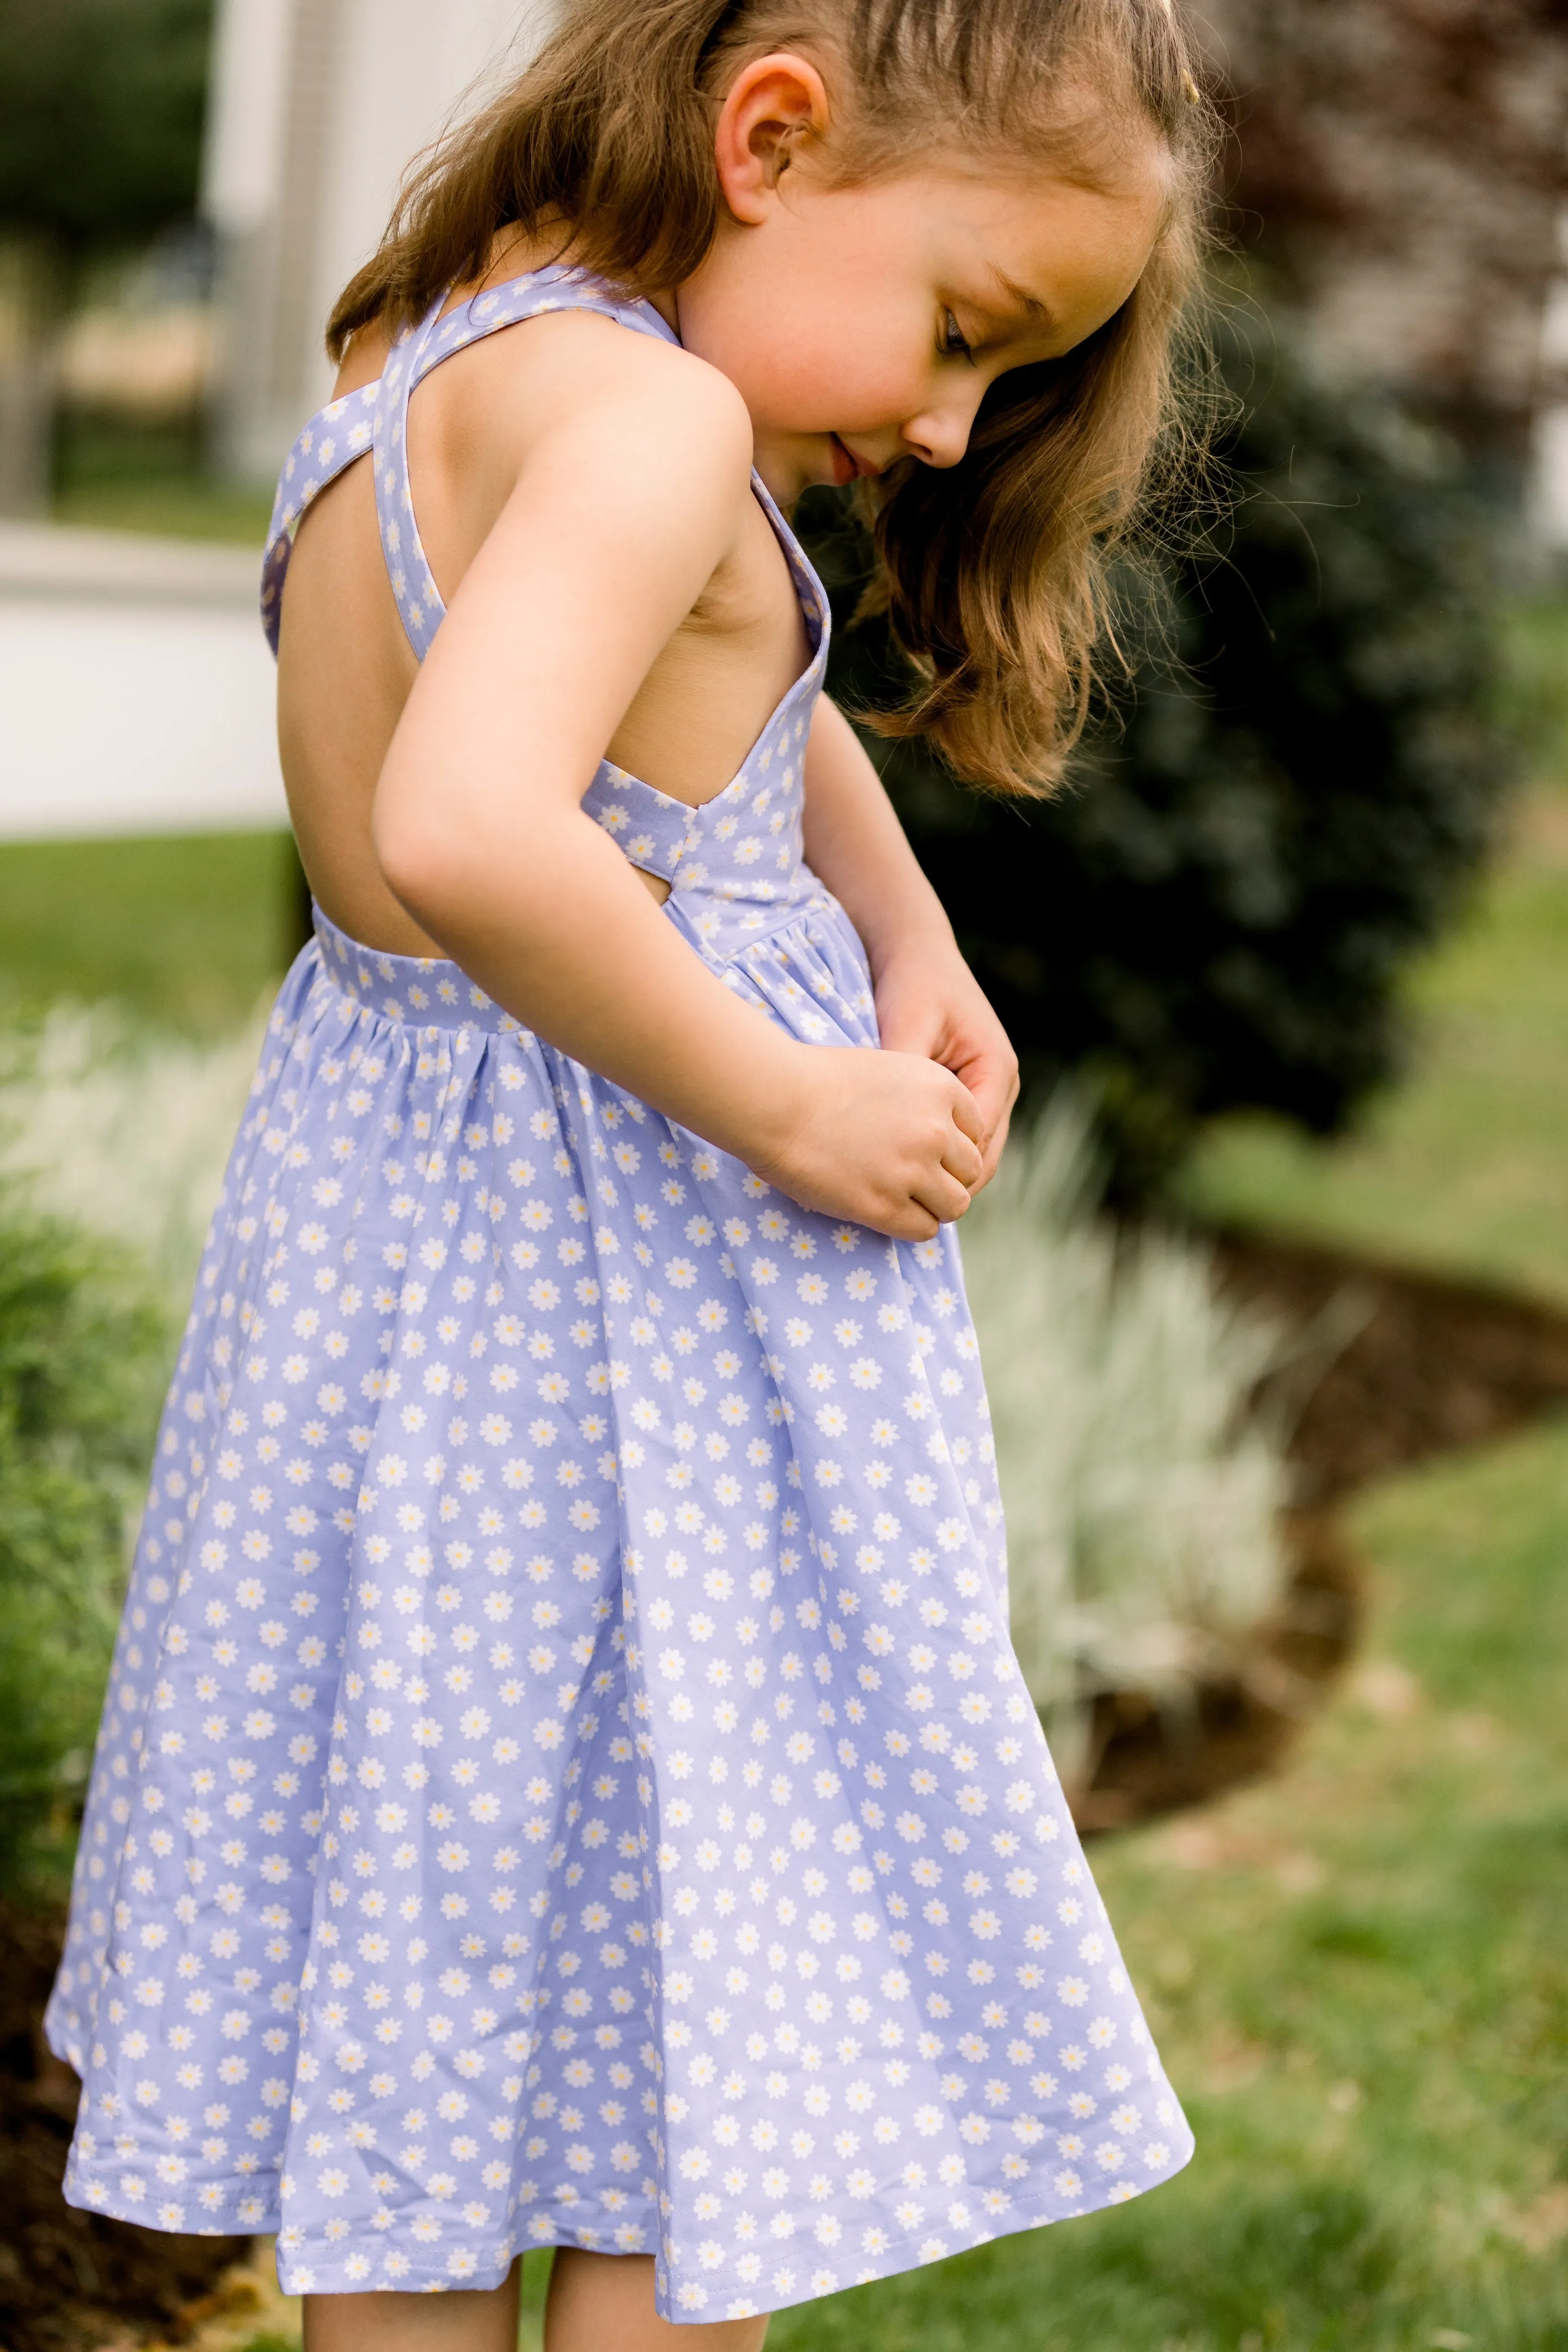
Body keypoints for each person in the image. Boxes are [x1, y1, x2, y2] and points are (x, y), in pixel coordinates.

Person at [47, 1, 1215, 2344]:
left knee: (433, 1955)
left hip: (405, 1284)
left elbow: (711, 705)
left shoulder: (427, 356)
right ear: (770, 136)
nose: (943, 426)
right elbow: (474, 820)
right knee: (704, 1969)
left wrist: (902, 924)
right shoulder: (662, 420)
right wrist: (786, 1102)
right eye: (966, 332)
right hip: (635, 1298)